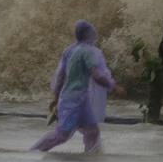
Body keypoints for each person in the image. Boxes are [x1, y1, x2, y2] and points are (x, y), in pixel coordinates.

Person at [30, 20, 125, 153]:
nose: (95, 35)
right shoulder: (88, 52)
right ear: (89, 34)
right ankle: (32, 152)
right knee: (61, 135)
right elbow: (96, 75)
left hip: (77, 99)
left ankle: (91, 158)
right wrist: (113, 86)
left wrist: (56, 97)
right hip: (74, 101)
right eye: (93, 32)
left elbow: (61, 76)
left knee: (92, 132)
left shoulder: (69, 50)